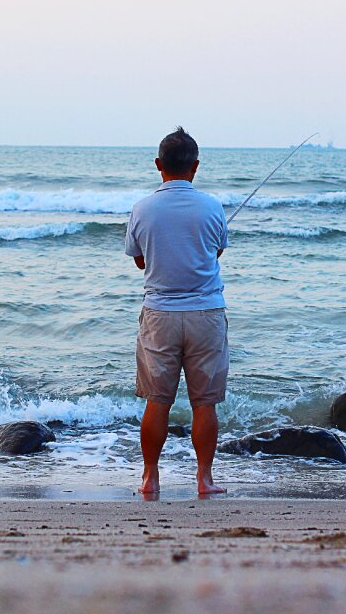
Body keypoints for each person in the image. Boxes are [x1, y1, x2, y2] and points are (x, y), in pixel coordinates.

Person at [125, 127, 229, 495]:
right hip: (206, 315)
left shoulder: (142, 209)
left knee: (158, 401)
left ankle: (150, 477)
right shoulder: (213, 207)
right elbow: (215, 252)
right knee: (205, 403)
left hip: (159, 316)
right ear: (195, 167)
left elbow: (139, 261)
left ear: (158, 165)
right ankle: (204, 479)